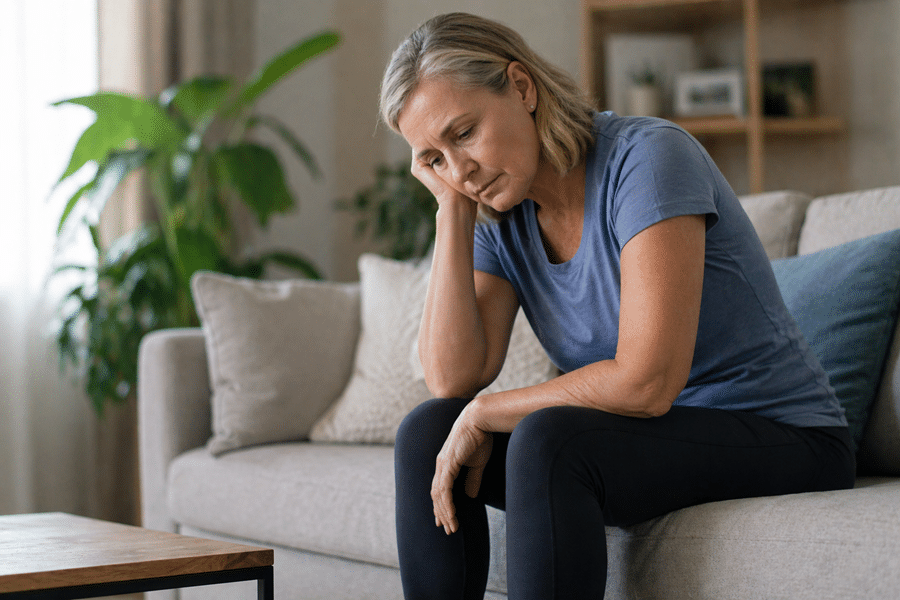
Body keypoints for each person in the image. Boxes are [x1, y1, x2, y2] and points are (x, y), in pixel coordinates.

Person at [380, 12, 855, 600]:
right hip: (648, 438)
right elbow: (452, 378)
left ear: (522, 88)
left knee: (549, 439)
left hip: (784, 434)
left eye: (463, 133)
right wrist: (449, 210)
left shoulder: (647, 157)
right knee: (428, 431)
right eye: (432, 159)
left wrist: (486, 411)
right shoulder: (495, 205)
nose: (460, 170)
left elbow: (647, 382)